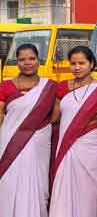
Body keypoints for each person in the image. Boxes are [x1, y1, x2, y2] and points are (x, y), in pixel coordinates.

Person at [0, 43, 56, 217]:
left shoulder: (50, 87)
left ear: (39, 60)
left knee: (37, 183)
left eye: (31, 58)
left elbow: (55, 116)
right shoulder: (5, 87)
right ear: (17, 62)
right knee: (9, 183)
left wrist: (38, 128)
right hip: (11, 143)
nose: (27, 63)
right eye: (22, 59)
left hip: (39, 143)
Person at [49, 46, 97, 217]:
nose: (77, 67)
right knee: (64, 183)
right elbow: (54, 118)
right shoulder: (61, 88)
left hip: (92, 145)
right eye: (73, 63)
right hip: (66, 145)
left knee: (90, 185)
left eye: (82, 63)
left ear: (91, 64)